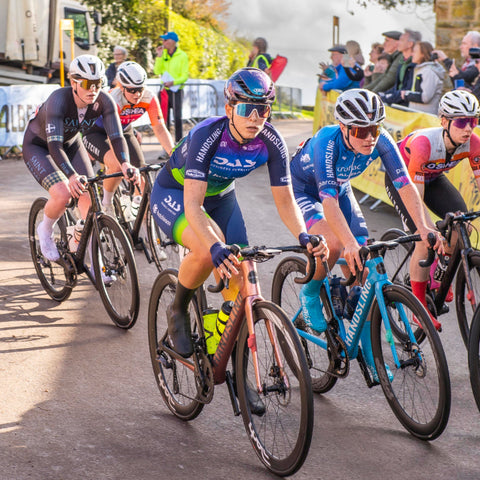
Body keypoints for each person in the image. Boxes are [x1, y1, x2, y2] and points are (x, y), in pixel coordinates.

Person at [150, 67, 328, 359]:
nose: (255, 118)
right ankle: (178, 307)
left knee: (244, 283)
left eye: (264, 110)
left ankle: (228, 353)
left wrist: (303, 234)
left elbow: (285, 201)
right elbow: (193, 205)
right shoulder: (207, 135)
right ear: (229, 108)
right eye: (247, 109)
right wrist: (214, 245)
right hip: (176, 193)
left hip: (221, 198)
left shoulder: (270, 141)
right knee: (209, 250)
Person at [289, 88, 441, 380]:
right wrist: (346, 243)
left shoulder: (381, 139)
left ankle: (369, 352)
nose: (370, 136)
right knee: (333, 244)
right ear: (344, 128)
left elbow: (404, 184)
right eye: (361, 130)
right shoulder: (327, 142)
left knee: (364, 273)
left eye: (375, 127)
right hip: (306, 190)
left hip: (340, 187)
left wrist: (424, 227)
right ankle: (309, 293)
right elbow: (328, 202)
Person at [23, 54, 139, 262]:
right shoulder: (58, 99)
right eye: (87, 84)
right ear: (73, 82)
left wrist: (125, 163)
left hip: (71, 143)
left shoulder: (104, 100)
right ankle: (45, 229)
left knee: (89, 202)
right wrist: (71, 176)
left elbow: (117, 136)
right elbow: (54, 145)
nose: (93, 89)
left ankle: (92, 260)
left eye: (98, 83)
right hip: (40, 146)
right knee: (63, 193)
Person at [385, 90, 480, 331]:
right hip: (403, 180)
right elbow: (415, 197)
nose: (468, 128)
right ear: (444, 121)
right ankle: (418, 305)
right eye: (461, 122)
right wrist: (427, 229)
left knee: (462, 223)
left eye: (474, 121)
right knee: (423, 237)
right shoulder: (425, 143)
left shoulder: (474, 143)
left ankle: (439, 277)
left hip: (434, 177)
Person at [82, 61, 174, 216]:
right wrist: (123, 163)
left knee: (142, 174)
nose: (137, 94)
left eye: (140, 89)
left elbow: (159, 127)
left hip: (123, 130)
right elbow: (114, 137)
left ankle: (141, 224)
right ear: (122, 87)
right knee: (117, 166)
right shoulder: (114, 100)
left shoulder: (149, 98)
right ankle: (107, 203)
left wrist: (173, 153)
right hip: (96, 133)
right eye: (132, 90)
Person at [153, 31, 189, 143]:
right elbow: (157, 71)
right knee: (164, 119)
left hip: (177, 90)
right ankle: (166, 145)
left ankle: (178, 144)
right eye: (163, 40)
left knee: (178, 118)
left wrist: (173, 82)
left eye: (166, 40)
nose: (163, 42)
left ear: (173, 41)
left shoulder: (182, 55)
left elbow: (185, 76)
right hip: (164, 91)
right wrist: (159, 56)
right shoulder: (162, 54)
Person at [379, 29, 422, 106]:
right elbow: (397, 87)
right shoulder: (402, 62)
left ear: (410, 44)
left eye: (401, 40)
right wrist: (380, 95)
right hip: (396, 102)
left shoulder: (415, 65)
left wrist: (386, 98)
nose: (398, 43)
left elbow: (406, 91)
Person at [399, 41, 445, 114]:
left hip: (425, 119)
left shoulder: (428, 72)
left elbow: (425, 97)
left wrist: (406, 94)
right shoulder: (421, 70)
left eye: (415, 51)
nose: (412, 54)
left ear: (423, 54)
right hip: (419, 117)